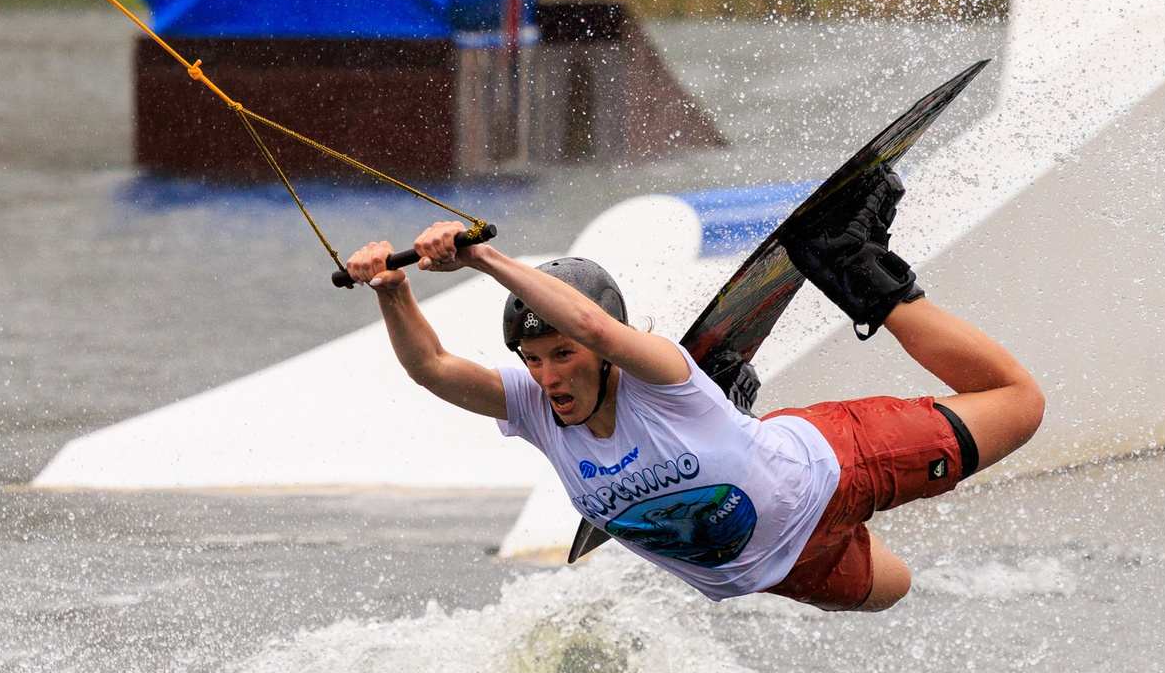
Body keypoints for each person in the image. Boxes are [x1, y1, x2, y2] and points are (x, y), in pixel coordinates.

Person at [344, 171, 1044, 611]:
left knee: (1019, 401)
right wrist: (393, 289)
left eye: (563, 354)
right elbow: (431, 367)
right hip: (786, 569)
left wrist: (484, 257)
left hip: (841, 469)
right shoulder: (534, 407)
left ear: (605, 348)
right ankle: (736, 429)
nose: (549, 375)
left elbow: (590, 320)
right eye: (533, 359)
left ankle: (854, 266)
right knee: (897, 591)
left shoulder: (659, 374)